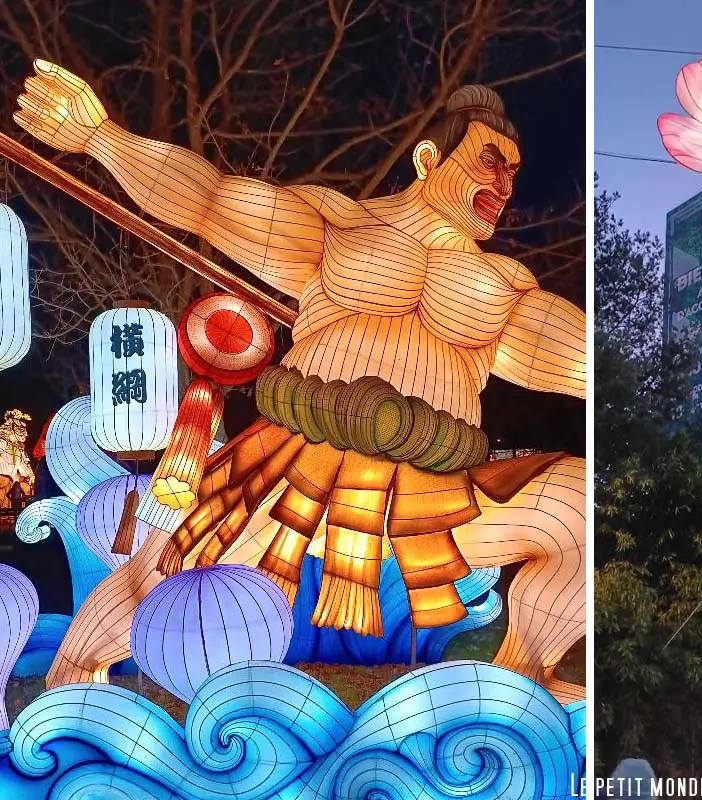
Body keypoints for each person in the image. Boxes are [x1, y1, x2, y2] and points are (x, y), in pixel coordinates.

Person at [16, 61, 585, 703]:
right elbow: (209, 200)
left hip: (440, 489)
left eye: (513, 170)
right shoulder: (338, 226)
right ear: (430, 157)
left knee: (576, 505)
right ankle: (67, 685)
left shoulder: (504, 287)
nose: (504, 182)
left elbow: (581, 358)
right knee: (165, 572)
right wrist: (100, 139)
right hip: (299, 462)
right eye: (490, 159)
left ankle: (522, 681)